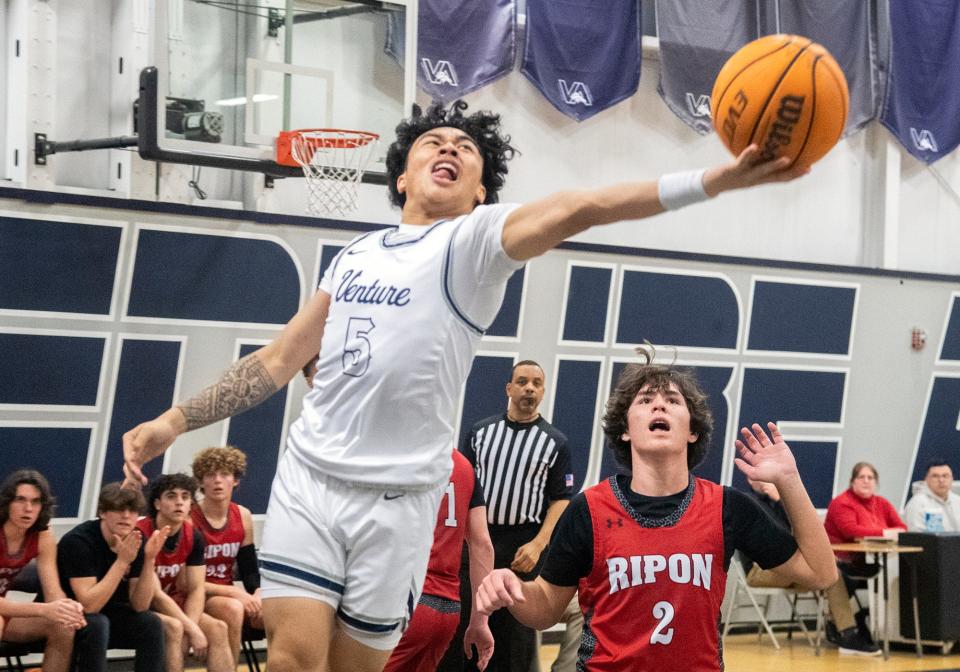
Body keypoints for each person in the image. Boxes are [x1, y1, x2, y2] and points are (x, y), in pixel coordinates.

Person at [121, 100, 806, 672]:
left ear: (482, 190)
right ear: (401, 177)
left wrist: (713, 181)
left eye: (466, 148)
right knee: (294, 661)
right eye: (432, 142)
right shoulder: (354, 256)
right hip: (310, 481)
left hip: (398, 501)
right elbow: (275, 361)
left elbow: (582, 205)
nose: (448, 148)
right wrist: (174, 422)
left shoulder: (474, 243)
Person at [475, 351, 837, 671]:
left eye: (673, 401)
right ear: (626, 429)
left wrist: (789, 480)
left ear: (692, 431)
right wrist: (514, 589)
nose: (659, 406)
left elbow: (820, 573)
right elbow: (545, 610)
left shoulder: (728, 507)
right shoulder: (589, 509)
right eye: (646, 399)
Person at [459, 360, 573, 672]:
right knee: (468, 619)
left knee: (515, 637)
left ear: (544, 391)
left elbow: (561, 499)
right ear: (508, 388)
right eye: (522, 382)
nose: (529, 388)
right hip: (479, 539)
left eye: (537, 383)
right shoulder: (480, 433)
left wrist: (538, 544)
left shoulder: (555, 442)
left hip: (523, 546)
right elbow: (462, 485)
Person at [383, 450, 495, 672]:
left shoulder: (401, 454)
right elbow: (483, 546)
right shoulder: (465, 468)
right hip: (447, 610)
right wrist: (480, 620)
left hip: (405, 600)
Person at [741, 478, 879, 656]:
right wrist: (780, 501)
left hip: (785, 567)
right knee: (830, 570)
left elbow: (799, 531)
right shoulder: (748, 501)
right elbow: (774, 537)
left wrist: (780, 500)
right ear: (749, 478)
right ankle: (843, 572)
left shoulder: (775, 501)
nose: (762, 481)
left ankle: (846, 632)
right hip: (760, 570)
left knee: (831, 576)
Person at [57, 483, 171, 672]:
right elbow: (90, 606)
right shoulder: (79, 541)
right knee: (98, 623)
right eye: (118, 509)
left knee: (150, 623)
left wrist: (150, 559)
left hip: (111, 614)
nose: (126, 516)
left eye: (132, 510)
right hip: (72, 616)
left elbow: (140, 605)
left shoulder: (137, 539)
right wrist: (122, 562)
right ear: (102, 512)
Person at [137, 473, 234, 672]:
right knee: (177, 628)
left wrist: (193, 624)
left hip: (171, 602)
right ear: (157, 504)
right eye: (171, 496)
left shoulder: (194, 536)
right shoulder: (142, 533)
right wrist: (191, 628)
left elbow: (197, 588)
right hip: (140, 603)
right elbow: (155, 596)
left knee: (218, 629)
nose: (179, 503)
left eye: (185, 497)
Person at [0, 470, 86, 672]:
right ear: (7, 503)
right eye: (20, 500)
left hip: (5, 613)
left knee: (63, 626)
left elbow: (53, 592)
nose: (28, 509)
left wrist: (67, 609)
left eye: (35, 502)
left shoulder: (43, 536)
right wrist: (45, 610)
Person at [189, 444, 263, 667]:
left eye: (225, 474)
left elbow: (249, 568)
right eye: (210, 475)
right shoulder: (190, 518)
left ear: (236, 480)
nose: (218, 481)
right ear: (201, 482)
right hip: (196, 594)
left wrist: (257, 593)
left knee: (279, 610)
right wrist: (233, 592)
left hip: (227, 594)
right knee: (233, 608)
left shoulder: (243, 515)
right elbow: (186, 581)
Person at [903, 460, 960, 532]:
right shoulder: (917, 503)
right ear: (926, 480)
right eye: (935, 476)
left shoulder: (957, 501)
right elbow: (917, 536)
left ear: (952, 479)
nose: (941, 480)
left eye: (945, 476)